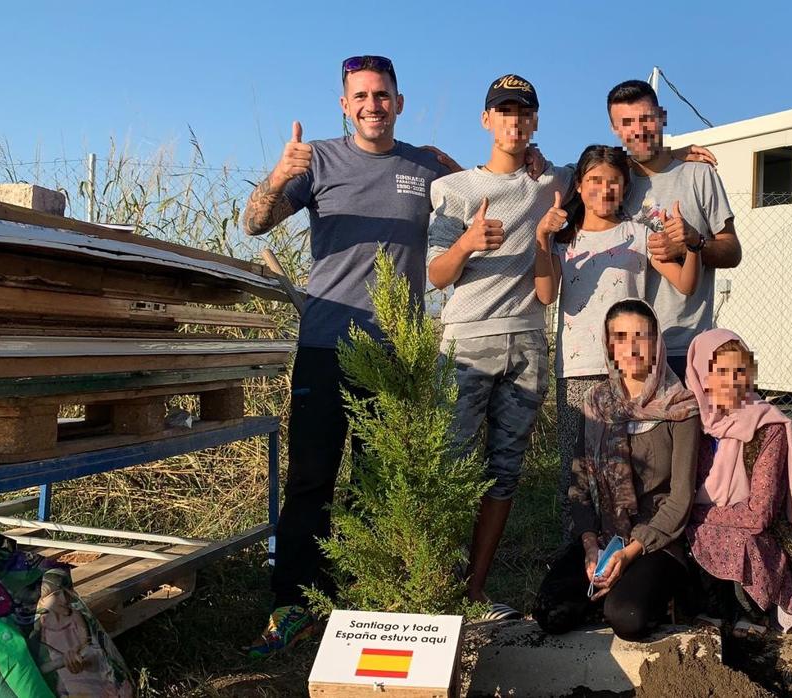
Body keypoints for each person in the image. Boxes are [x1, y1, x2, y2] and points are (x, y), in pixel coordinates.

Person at [241, 55, 478, 656]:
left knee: (384, 481)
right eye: (362, 96)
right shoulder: (317, 160)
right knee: (311, 479)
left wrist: (523, 163)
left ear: (399, 102)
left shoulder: (427, 166)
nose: (373, 105)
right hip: (326, 346)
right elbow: (253, 224)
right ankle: (293, 606)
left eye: (383, 95)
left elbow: (489, 186)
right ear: (345, 106)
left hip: (396, 351)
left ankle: (369, 603)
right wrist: (276, 177)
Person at [427, 74, 571, 620]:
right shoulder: (457, 189)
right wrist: (467, 242)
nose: (514, 121)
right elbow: (436, 275)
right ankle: (436, 586)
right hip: (466, 343)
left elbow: (616, 166)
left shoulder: (552, 180)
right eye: (504, 111)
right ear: (486, 119)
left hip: (528, 343)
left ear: (534, 121)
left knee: (504, 471)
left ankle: (475, 590)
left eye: (523, 112)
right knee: (451, 467)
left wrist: (679, 152)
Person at [536, 144, 700, 536]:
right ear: (579, 185)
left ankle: (628, 546)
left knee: (628, 468)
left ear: (625, 188)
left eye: (614, 182)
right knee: (578, 472)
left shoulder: (639, 235)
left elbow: (685, 283)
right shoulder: (564, 241)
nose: (604, 189)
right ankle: (579, 549)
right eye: (594, 180)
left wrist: (692, 245)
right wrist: (542, 237)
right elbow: (545, 293)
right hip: (578, 370)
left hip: (631, 371)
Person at [533, 299, 701, 640]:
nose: (632, 348)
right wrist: (590, 546)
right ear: (609, 346)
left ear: (656, 343)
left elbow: (681, 498)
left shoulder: (681, 408)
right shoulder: (596, 403)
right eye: (621, 337)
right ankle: (607, 589)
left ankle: (653, 590)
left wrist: (629, 553)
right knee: (550, 612)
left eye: (641, 336)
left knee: (627, 619)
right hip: (604, 538)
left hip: (656, 540)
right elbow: (580, 485)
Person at [683, 329, 792, 634]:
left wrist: (697, 513)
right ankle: (715, 610)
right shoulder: (692, 426)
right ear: (701, 376)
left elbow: (760, 513)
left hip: (760, 531)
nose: (732, 382)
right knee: (685, 536)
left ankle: (753, 611)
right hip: (707, 521)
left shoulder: (767, 425)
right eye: (721, 372)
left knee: (734, 537)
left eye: (740, 371)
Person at [607, 80, 742, 380]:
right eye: (627, 122)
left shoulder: (699, 175)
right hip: (625, 350)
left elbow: (732, 251)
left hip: (686, 347)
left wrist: (691, 245)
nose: (638, 130)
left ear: (662, 117)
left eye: (646, 118)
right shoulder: (611, 184)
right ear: (615, 129)